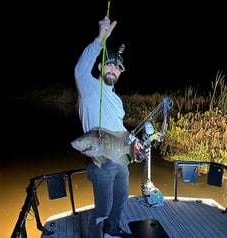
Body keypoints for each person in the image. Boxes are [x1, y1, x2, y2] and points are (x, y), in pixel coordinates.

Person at [74, 15, 142, 238]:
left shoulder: (118, 101)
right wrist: (99, 41)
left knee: (121, 199)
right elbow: (80, 69)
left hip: (119, 157)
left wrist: (134, 142)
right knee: (102, 208)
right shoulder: (89, 89)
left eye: (118, 68)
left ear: (120, 73)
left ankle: (112, 231)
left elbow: (120, 128)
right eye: (110, 65)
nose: (113, 70)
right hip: (100, 160)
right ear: (101, 66)